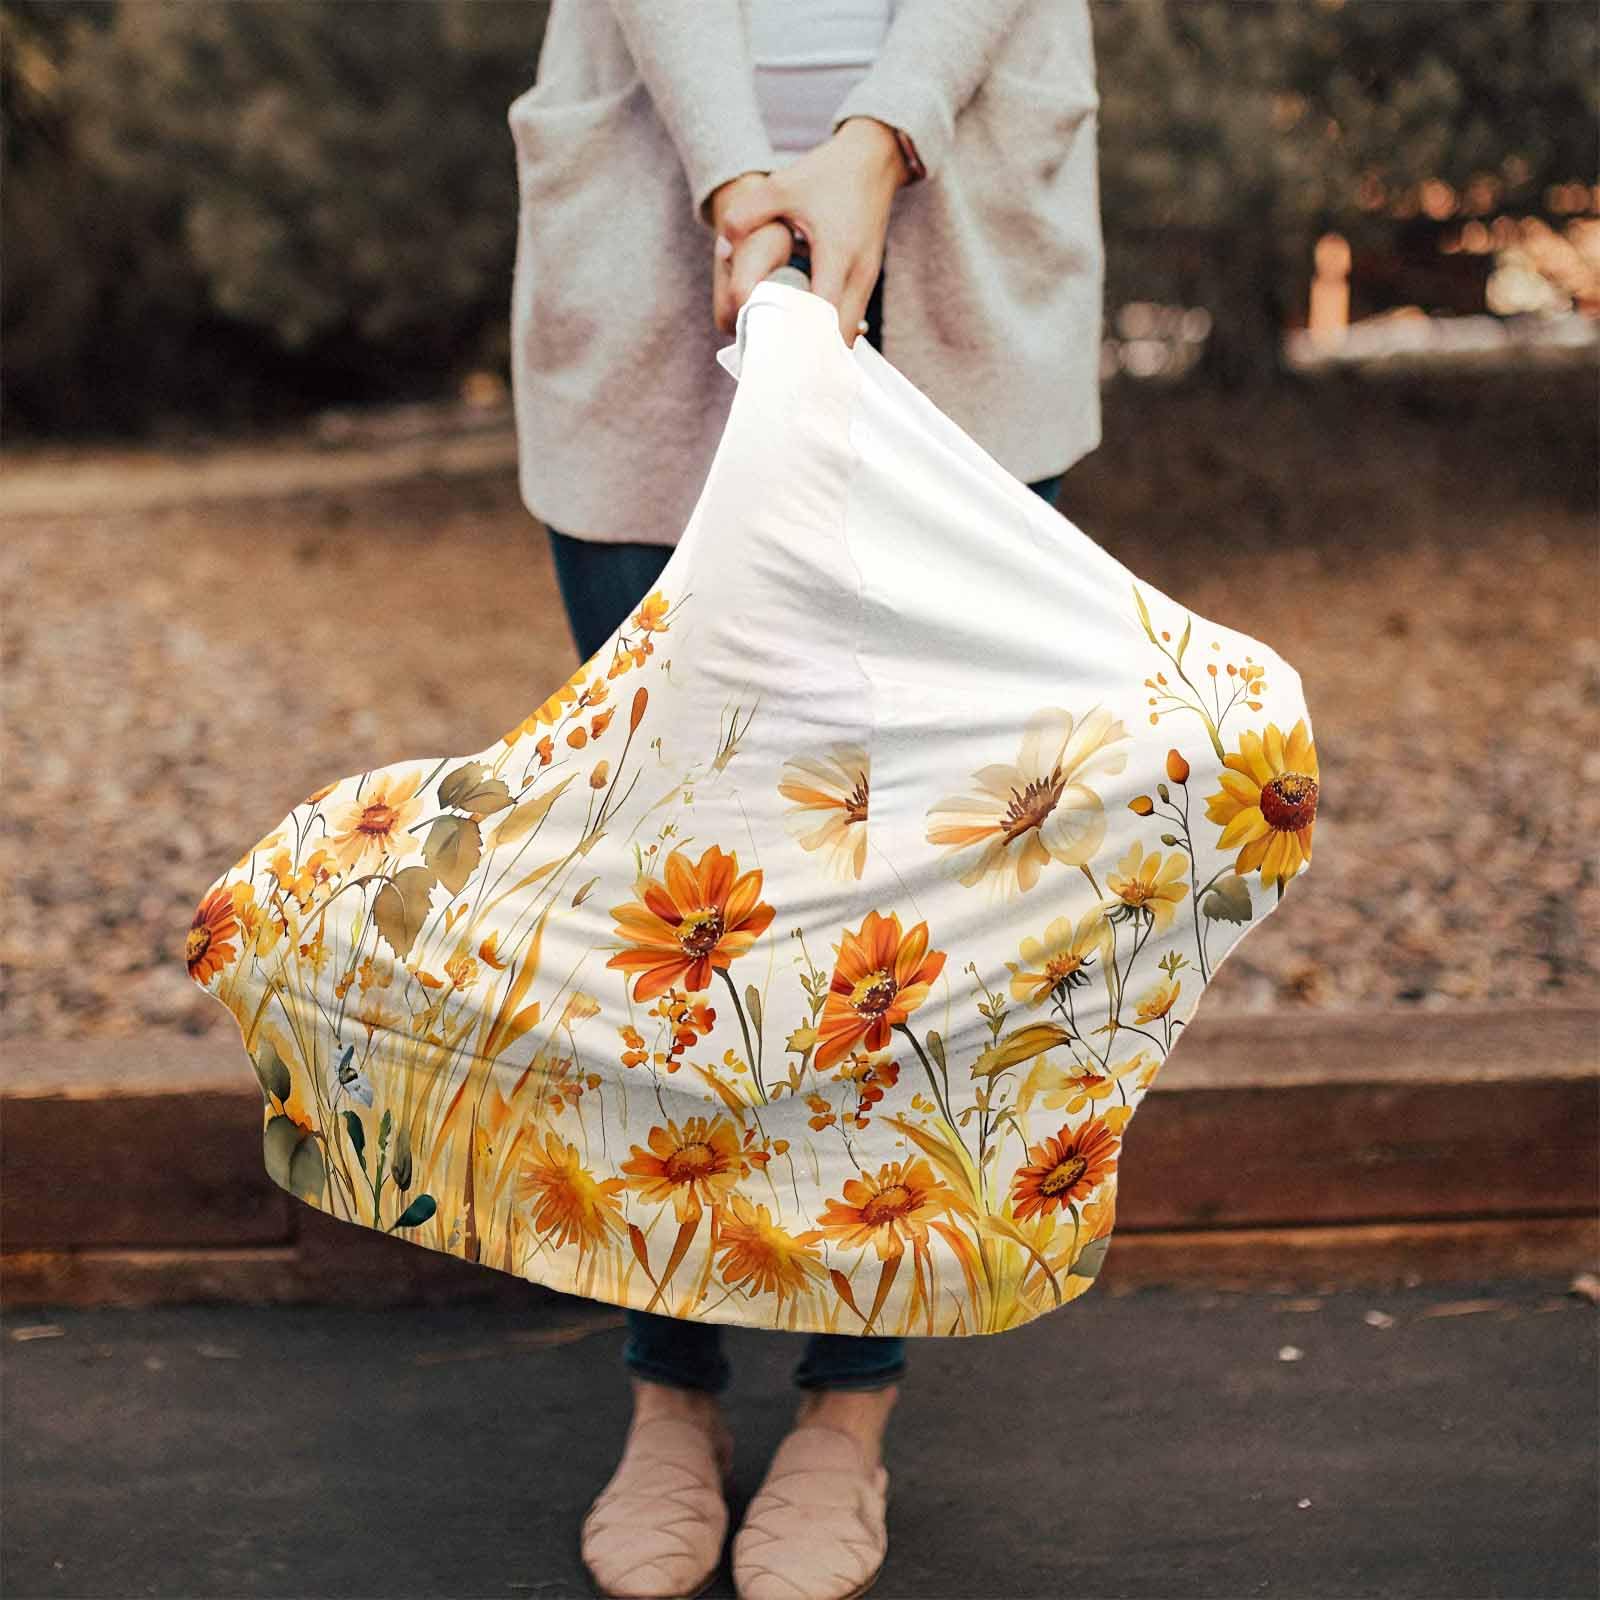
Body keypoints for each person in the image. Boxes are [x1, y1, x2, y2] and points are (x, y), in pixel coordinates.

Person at [505, 4, 1104, 1596]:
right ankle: (671, 1386)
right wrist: (734, 178)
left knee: (910, 884)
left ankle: (849, 1406)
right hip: (653, 216)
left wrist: (880, 139)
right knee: (670, 882)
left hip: (963, 225)